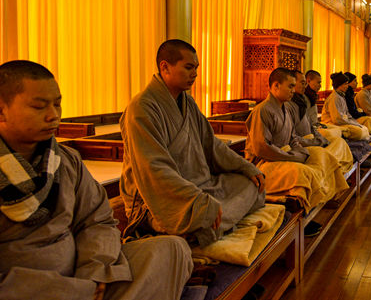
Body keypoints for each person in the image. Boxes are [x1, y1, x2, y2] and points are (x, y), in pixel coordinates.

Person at [0, 60, 193, 300]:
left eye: (57, 104)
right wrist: (68, 289)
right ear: (1, 110)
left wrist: (94, 269)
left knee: (172, 249)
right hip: (31, 291)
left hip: (85, 277)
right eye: (39, 107)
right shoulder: (143, 107)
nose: (53, 115)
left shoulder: (66, 160)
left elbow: (98, 220)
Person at [120, 40, 265, 248]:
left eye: (196, 68)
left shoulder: (187, 102)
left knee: (250, 184)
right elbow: (154, 169)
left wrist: (246, 167)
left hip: (200, 186)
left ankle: (209, 223)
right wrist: (196, 200)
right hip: (161, 200)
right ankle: (202, 226)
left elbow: (212, 145)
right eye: (188, 67)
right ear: (165, 67)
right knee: (204, 216)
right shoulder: (141, 108)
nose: (195, 74)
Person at [245, 68, 348, 213]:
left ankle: (325, 198)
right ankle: (304, 210)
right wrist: (292, 157)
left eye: (294, 86)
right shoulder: (262, 110)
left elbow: (293, 137)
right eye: (290, 86)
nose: (293, 90)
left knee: (322, 155)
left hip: (286, 155)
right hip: (264, 164)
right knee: (303, 172)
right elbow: (262, 149)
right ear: (276, 86)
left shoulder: (284, 108)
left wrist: (299, 152)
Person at [286, 70, 352, 171]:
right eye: (302, 83)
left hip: (311, 139)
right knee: (325, 153)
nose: (305, 86)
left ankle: (331, 164)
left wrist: (320, 139)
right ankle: (331, 165)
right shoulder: (286, 106)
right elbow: (292, 139)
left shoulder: (300, 102)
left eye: (305, 83)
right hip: (302, 146)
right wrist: (315, 141)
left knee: (339, 141)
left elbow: (310, 126)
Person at [321, 72, 371, 138]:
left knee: (364, 128)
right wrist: (352, 123)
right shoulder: (335, 98)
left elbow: (347, 114)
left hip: (344, 122)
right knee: (360, 131)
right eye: (345, 84)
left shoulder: (341, 96)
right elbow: (337, 119)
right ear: (339, 85)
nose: (347, 86)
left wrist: (353, 122)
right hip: (333, 124)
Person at [303, 70, 342, 142]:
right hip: (310, 130)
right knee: (334, 134)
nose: (320, 86)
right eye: (318, 82)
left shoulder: (312, 96)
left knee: (337, 131)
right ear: (308, 81)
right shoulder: (304, 98)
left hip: (316, 126)